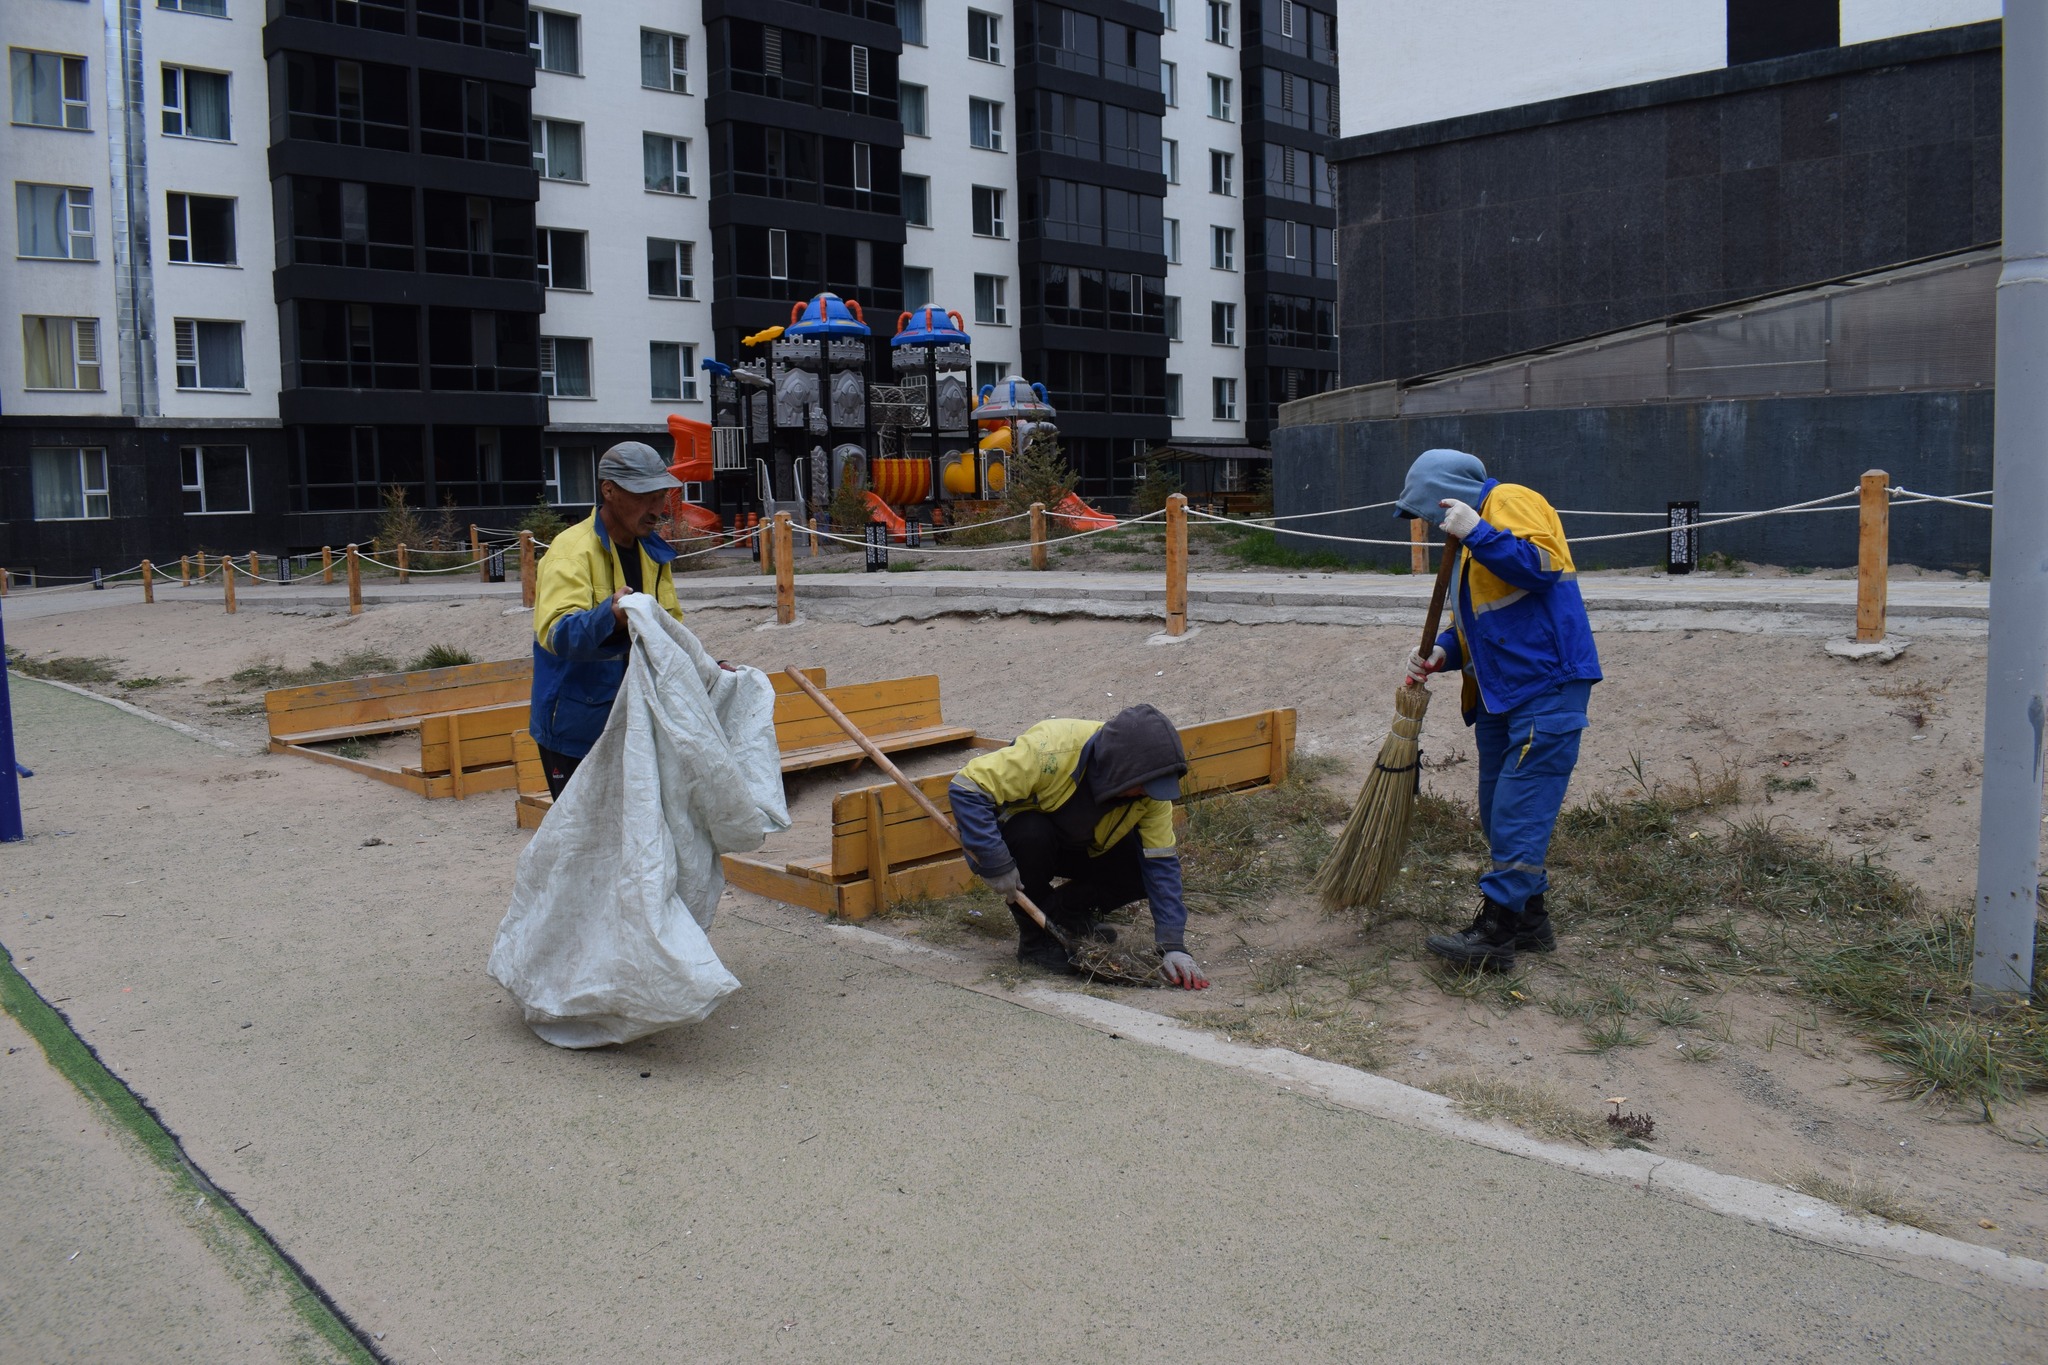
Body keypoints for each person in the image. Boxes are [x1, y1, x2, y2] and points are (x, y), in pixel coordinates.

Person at [1397, 448, 1602, 970]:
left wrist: (1477, 532)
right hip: (1498, 693)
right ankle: (1531, 920)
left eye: (1424, 511)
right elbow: (1490, 623)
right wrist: (1445, 651)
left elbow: (1541, 567)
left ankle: (1496, 933)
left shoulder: (1509, 501)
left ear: (1446, 495)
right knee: (1498, 810)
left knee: (1518, 809)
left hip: (1545, 686)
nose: (1424, 523)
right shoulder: (1469, 544)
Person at [948, 704, 1210, 989]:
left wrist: (1173, 945)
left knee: (1140, 868)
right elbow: (967, 787)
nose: (1149, 794)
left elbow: (1161, 863)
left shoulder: (1148, 793)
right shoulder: (1050, 749)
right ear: (1121, 770)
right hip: (1025, 842)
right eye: (1145, 786)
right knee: (1030, 833)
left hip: (1083, 844)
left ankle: (1065, 916)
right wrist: (993, 859)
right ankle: (1036, 944)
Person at [530, 441, 696, 799]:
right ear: (609, 490)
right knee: (583, 847)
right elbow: (558, 635)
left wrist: (709, 666)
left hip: (635, 723)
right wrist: (612, 615)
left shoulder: (653, 553)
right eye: (645, 496)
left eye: (660, 495)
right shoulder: (571, 552)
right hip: (576, 729)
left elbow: (671, 634)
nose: (657, 508)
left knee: (633, 839)